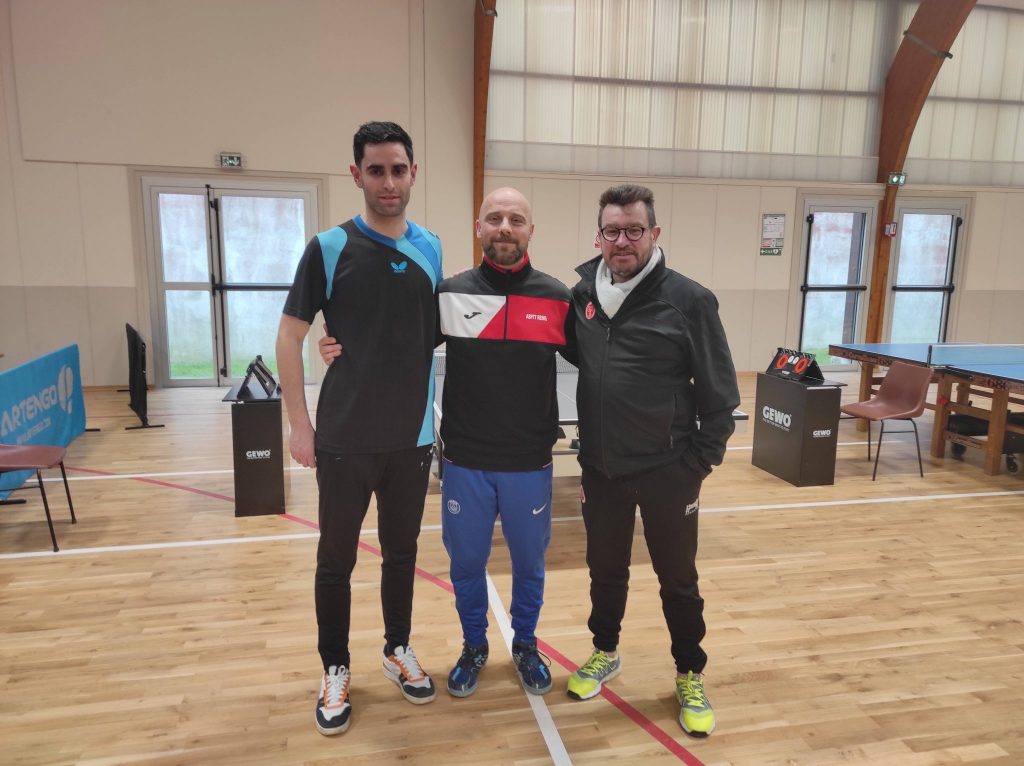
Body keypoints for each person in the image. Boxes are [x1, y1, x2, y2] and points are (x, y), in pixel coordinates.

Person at [319, 187, 572, 698]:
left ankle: (525, 644)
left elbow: (600, 359)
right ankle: (474, 645)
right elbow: (397, 339)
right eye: (494, 218)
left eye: (515, 219)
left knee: (529, 565)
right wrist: (338, 344)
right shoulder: (451, 293)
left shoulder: (557, 298)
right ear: (479, 228)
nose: (505, 227)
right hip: (465, 461)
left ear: (531, 230)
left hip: (529, 463)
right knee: (466, 565)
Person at [276, 121, 442, 737]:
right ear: (357, 175)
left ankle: (396, 648)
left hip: (411, 437)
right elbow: (289, 337)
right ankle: (335, 667)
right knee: (335, 561)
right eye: (376, 170)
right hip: (344, 437)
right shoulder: (328, 247)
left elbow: (429, 332)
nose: (388, 182)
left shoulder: (432, 247)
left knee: (402, 553)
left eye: (398, 169)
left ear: (413, 173)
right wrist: (301, 426)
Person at [564, 184, 739, 738]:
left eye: (634, 230)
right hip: (601, 469)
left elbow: (721, 397)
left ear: (654, 234)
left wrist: (695, 466)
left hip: (669, 472)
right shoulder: (582, 296)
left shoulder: (689, 300)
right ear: (598, 236)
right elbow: (558, 349)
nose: (622, 241)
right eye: (612, 230)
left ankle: (690, 671)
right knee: (605, 571)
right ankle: (605, 650)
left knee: (678, 580)